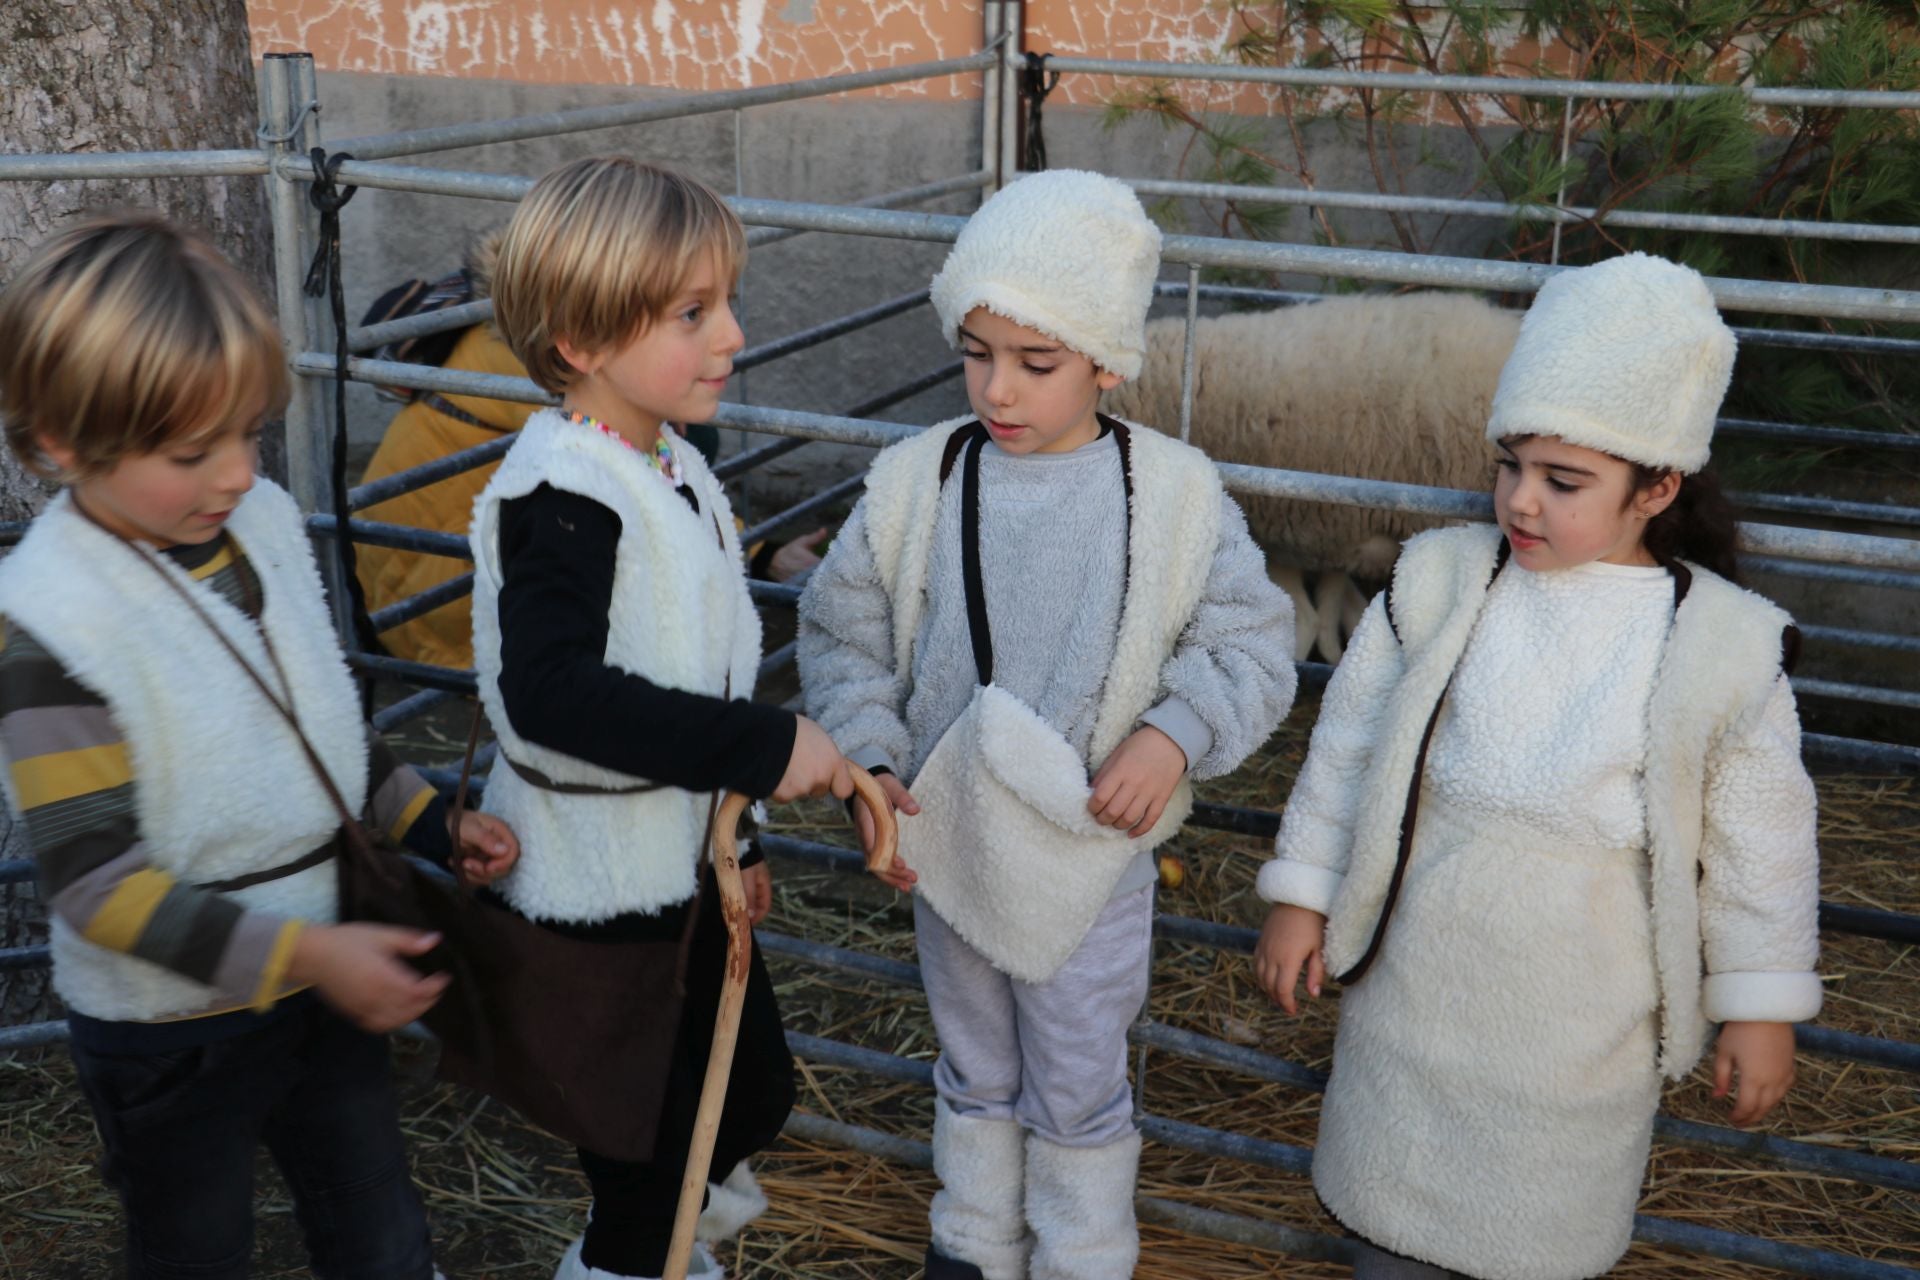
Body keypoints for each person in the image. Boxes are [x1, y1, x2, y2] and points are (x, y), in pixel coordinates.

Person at [1252, 253, 1822, 1280]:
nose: (1520, 501)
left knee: (1533, 1242)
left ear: (1657, 483)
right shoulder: (1439, 583)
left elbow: (1760, 842)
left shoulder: (1718, 648)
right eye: (1511, 463)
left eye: (1564, 482)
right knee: (1389, 1235)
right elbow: (1347, 746)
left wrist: (1759, 1001)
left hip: (1578, 1026)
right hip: (1416, 1004)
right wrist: (1302, 892)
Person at [797, 170, 1298, 1280]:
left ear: (1108, 360)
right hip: (945, 836)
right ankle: (971, 1243)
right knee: (972, 1054)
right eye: (976, 352)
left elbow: (1256, 643)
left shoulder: (1172, 495)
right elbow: (841, 632)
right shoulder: (913, 481)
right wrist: (870, 756)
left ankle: (1081, 1252)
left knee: (1076, 1066)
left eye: (1037, 362)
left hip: (1089, 855)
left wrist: (1173, 731)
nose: (998, 388)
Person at [0, 214, 519, 1280]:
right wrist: (312, 955)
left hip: (323, 975)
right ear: (59, 443)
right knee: (194, 1245)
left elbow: (315, 719)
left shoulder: (262, 525)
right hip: (172, 1028)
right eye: (193, 451)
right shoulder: (55, 620)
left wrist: (430, 817)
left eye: (248, 431)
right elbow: (97, 887)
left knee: (377, 1224)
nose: (238, 472)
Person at [470, 155, 858, 1280]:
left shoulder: (671, 462)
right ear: (582, 340)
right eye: (693, 312)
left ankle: (668, 1250)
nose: (733, 334)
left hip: (682, 865)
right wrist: (768, 748)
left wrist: (743, 836)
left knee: (746, 1096)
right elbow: (550, 693)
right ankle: (640, 1261)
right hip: (602, 886)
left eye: (726, 301)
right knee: (653, 1154)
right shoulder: (566, 496)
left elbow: (696, 659)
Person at [352, 236, 824, 671]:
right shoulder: (546, 373)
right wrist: (763, 556)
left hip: (427, 564)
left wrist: (763, 554)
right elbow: (646, 482)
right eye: (691, 313)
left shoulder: (527, 328)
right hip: (424, 594)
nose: (733, 336)